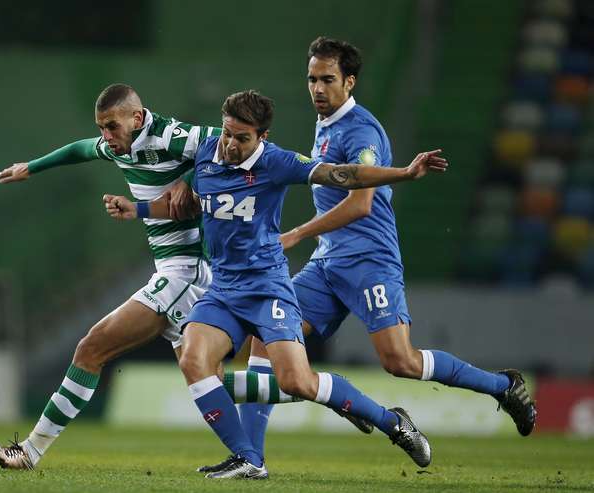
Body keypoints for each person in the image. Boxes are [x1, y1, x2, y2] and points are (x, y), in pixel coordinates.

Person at [217, 37, 537, 465]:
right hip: (327, 264)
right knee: (264, 337)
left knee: (399, 361)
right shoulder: (325, 122)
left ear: (349, 82)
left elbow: (361, 201)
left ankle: (503, 387)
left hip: (369, 261)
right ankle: (250, 459)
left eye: (327, 79)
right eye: (312, 78)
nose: (317, 88)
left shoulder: (362, 130)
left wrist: (296, 234)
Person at [104, 89, 448, 478]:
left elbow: (343, 174)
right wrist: (140, 209)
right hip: (223, 288)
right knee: (194, 360)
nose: (230, 144)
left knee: (296, 381)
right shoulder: (207, 153)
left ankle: (392, 422)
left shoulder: (278, 162)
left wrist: (403, 173)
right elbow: (195, 204)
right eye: (227, 133)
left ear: (262, 137)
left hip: (268, 287)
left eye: (242, 138)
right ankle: (248, 458)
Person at [0, 83, 220, 470]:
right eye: (102, 128)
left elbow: (228, 144)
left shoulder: (170, 136)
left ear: (138, 118)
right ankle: (322, 390)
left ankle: (29, 452)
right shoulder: (119, 145)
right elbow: (80, 148)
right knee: (210, 383)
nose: (106, 138)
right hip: (174, 270)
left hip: (186, 270)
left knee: (91, 348)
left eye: (112, 127)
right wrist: (31, 167)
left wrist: (191, 179)